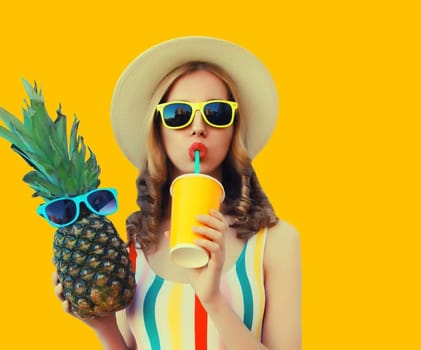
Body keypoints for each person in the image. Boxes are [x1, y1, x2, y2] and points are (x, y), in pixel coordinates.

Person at [53, 36, 302, 350]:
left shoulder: (275, 242)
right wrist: (104, 328)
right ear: (158, 130)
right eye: (178, 114)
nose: (198, 127)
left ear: (233, 129)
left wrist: (212, 300)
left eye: (216, 112)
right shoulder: (133, 247)